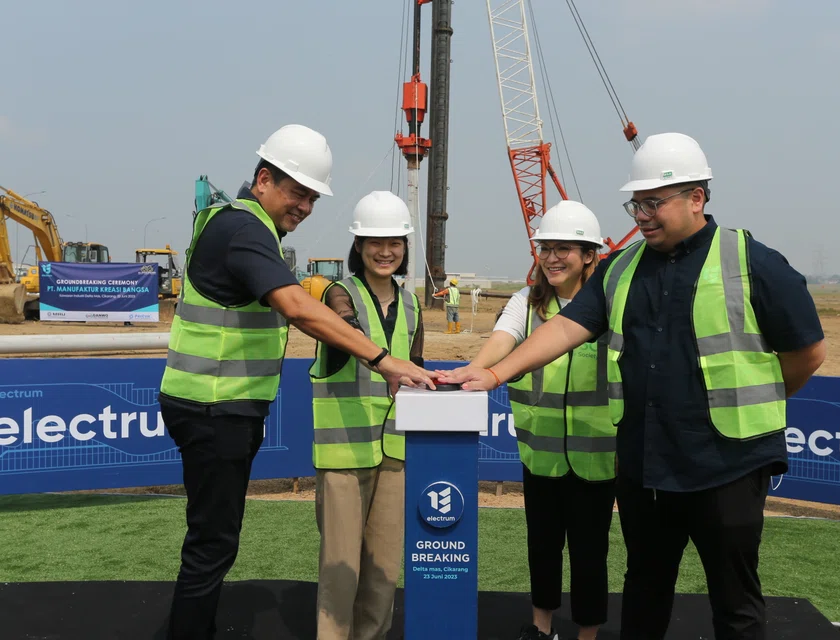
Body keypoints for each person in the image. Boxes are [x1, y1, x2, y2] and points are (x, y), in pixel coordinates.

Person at [440, 132, 827, 640]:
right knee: (645, 590)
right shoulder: (621, 269)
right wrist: (493, 372)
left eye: (653, 202)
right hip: (647, 467)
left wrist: (747, 413)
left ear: (696, 197)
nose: (641, 214)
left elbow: (807, 354)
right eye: (636, 203)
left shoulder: (751, 261)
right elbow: (565, 327)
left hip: (729, 465)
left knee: (735, 602)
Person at [158, 127, 436, 640]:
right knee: (211, 545)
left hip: (223, 407)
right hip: (215, 407)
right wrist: (383, 359)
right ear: (263, 180)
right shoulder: (245, 228)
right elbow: (292, 304)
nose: (305, 206)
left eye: (312, 196)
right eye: (297, 192)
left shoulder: (237, 226)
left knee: (213, 541)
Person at [449, 201, 617, 640]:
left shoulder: (610, 304)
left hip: (597, 456)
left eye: (565, 248)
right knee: (542, 546)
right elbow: (503, 338)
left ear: (589, 256)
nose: (552, 257)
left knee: (589, 551)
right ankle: (541, 628)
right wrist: (479, 370)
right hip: (540, 453)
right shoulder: (527, 302)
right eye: (546, 248)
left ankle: (587, 633)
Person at [310, 190, 422, 640]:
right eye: (374, 241)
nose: (385, 250)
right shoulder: (341, 293)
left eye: (394, 241)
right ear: (357, 246)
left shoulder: (412, 306)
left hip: (395, 453)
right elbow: (341, 319)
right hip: (343, 455)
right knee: (341, 569)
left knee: (382, 568)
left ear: (405, 246)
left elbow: (414, 373)